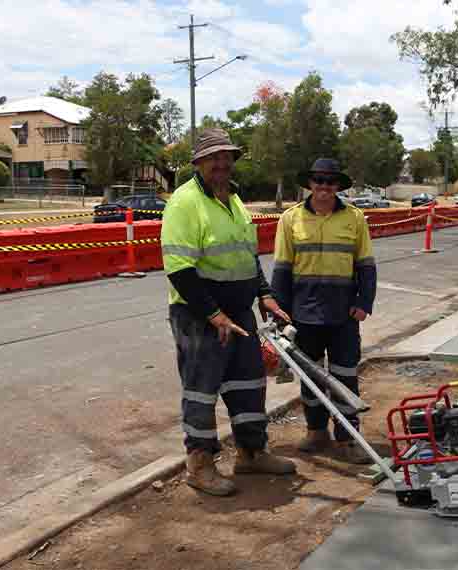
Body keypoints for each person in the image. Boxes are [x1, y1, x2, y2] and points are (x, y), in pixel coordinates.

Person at [161, 128, 296, 497]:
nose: (221, 163)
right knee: (202, 390)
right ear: (198, 163)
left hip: (239, 311)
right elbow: (179, 268)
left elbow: (245, 256)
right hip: (199, 315)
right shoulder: (185, 203)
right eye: (213, 157)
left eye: (226, 157)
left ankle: (251, 453)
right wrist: (213, 314)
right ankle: (200, 465)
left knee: (249, 384)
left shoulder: (234, 200)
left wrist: (264, 293)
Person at [272, 158, 377, 464]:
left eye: (330, 182)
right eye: (318, 180)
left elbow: (366, 266)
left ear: (337, 186)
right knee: (311, 378)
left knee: (345, 376)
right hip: (304, 315)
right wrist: (280, 311)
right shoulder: (290, 220)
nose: (323, 187)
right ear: (310, 184)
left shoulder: (355, 219)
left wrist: (364, 303)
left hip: (343, 315)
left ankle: (348, 439)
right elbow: (282, 269)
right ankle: (316, 431)